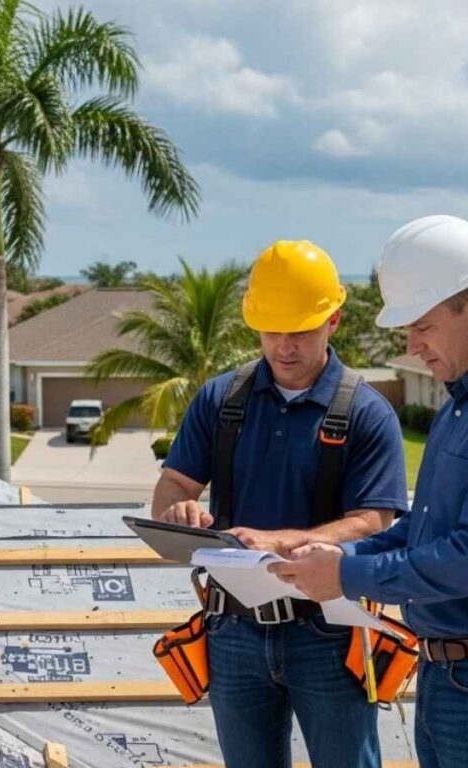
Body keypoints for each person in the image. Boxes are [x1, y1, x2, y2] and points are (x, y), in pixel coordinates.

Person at [271, 215, 468, 767]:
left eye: (422, 326)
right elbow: (419, 531)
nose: (412, 344)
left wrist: (343, 575)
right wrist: (337, 555)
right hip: (460, 681)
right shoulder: (464, 403)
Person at [152, 240, 409, 767]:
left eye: (299, 331)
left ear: (333, 321)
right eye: (272, 331)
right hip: (232, 630)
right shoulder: (222, 400)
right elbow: (173, 486)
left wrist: (281, 541)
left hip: (328, 631)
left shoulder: (366, 412)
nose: (284, 346)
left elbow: (375, 521)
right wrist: (176, 510)